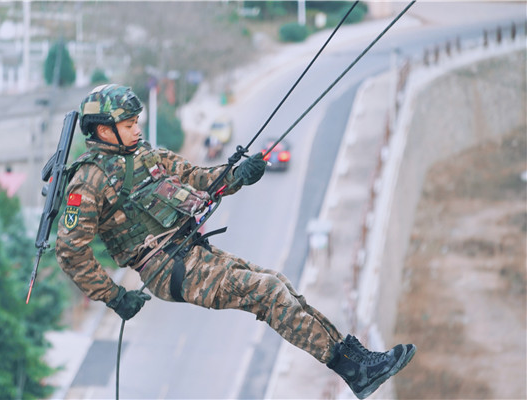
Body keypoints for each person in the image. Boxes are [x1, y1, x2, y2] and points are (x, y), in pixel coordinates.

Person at [55, 84, 415, 399]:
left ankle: (356, 361)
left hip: (189, 249)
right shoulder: (88, 181)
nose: (137, 129)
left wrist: (237, 175)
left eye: (136, 122)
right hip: (166, 269)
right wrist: (114, 296)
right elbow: (70, 250)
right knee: (268, 292)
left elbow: (197, 177)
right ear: (104, 130)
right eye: (128, 125)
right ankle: (353, 370)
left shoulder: (145, 155)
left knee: (278, 283)